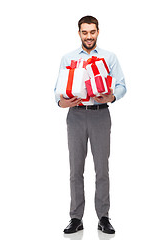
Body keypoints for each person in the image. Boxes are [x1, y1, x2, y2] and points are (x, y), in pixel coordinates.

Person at [54, 15, 126, 234]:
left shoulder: (109, 57)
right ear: (79, 33)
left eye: (92, 32)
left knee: (101, 169)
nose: (88, 36)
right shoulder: (68, 58)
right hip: (75, 115)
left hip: (100, 115)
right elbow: (57, 91)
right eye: (84, 32)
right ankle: (76, 218)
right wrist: (62, 102)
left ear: (98, 32)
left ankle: (103, 217)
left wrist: (111, 98)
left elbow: (122, 85)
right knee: (76, 170)